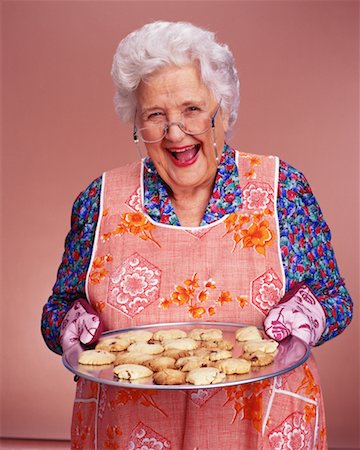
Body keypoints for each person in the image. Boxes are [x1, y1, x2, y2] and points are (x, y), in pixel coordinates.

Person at [41, 21, 352, 449]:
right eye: (155, 115)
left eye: (191, 110)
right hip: (129, 434)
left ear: (222, 110)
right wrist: (68, 324)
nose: (174, 133)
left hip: (262, 430)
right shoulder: (99, 200)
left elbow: (335, 298)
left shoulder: (283, 189)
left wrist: (308, 317)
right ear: (136, 125)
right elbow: (56, 310)